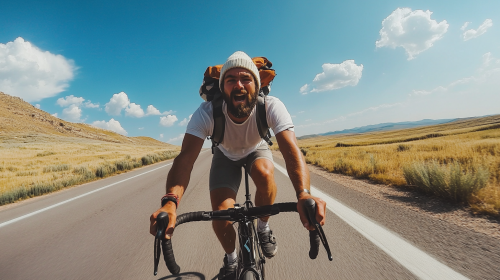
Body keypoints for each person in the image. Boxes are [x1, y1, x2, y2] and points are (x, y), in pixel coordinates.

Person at [150, 51, 326, 280]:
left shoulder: (271, 106)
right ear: (223, 88)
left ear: (257, 84)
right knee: (221, 214)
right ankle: (231, 259)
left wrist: (303, 193)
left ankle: (263, 228)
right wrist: (170, 203)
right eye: (231, 80)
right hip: (225, 156)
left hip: (256, 150)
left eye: (246, 79)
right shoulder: (206, 113)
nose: (239, 85)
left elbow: (291, 149)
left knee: (264, 173)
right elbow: (185, 159)